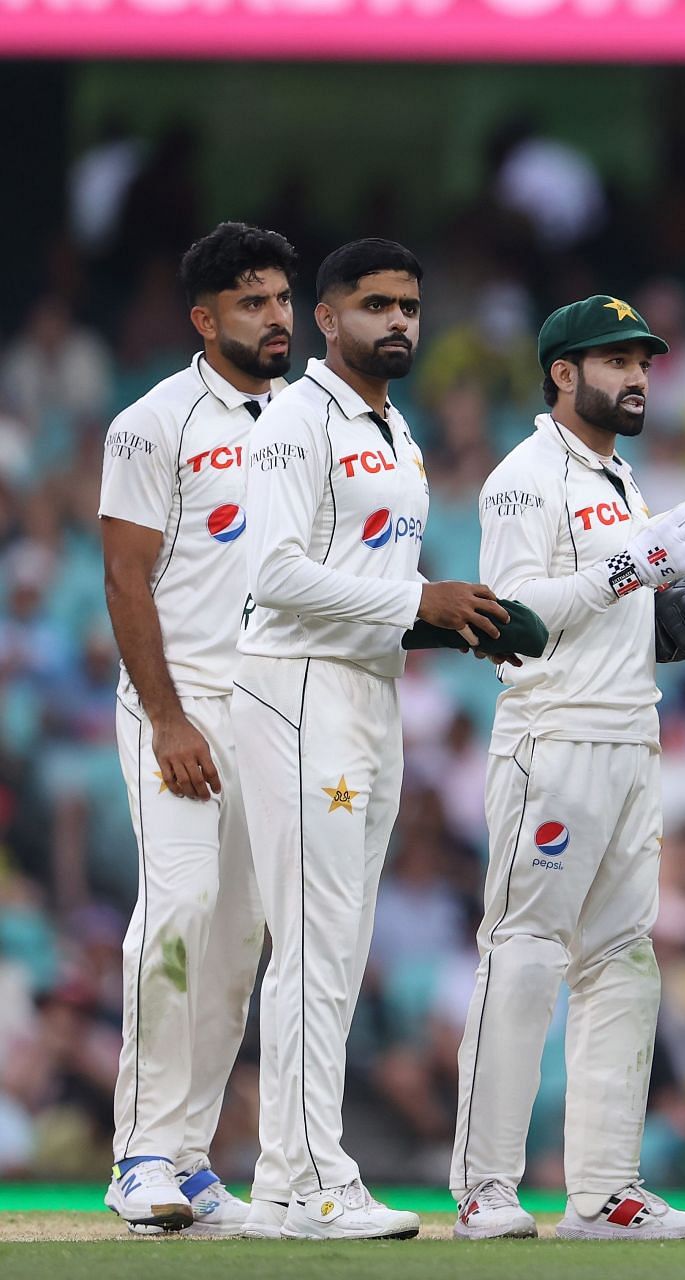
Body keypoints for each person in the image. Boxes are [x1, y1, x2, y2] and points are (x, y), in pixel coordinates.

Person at [233, 238, 509, 1241]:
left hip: (367, 691)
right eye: (377, 303)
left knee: (336, 941)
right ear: (326, 317)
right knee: (315, 938)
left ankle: (282, 1180)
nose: (399, 320)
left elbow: (375, 593)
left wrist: (462, 624)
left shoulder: (396, 433)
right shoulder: (295, 422)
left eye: (410, 305)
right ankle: (310, 1180)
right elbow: (273, 573)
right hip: (301, 691)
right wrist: (416, 597)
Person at [447, 296, 685, 1242]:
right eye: (616, 361)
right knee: (523, 955)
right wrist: (627, 566)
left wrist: (684, 625)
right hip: (552, 741)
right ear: (563, 373)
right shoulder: (526, 477)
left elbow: (605, 617)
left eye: (644, 361)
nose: (638, 376)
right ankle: (484, 1189)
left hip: (628, 737)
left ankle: (605, 1194)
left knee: (622, 963)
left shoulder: (617, 478)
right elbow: (510, 619)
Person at [98, 222, 297, 1236]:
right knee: (176, 911)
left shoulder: (312, 420)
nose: (277, 316)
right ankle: (138, 1152)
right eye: (253, 301)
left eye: (282, 298)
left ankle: (189, 1153)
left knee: (235, 942)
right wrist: (169, 714)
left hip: (272, 711)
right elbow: (126, 575)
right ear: (204, 317)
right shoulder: (152, 420)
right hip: (178, 705)